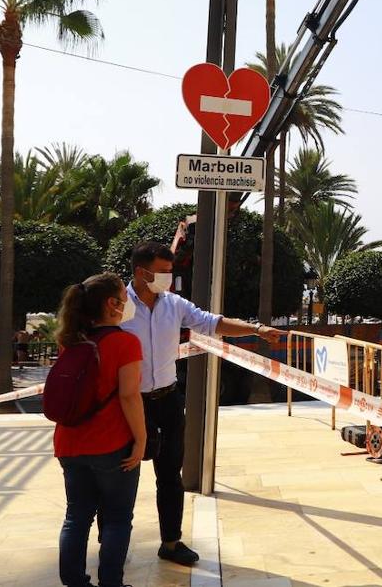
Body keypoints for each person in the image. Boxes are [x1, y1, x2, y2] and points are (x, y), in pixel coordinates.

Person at [119, 241, 280, 567]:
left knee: (170, 476)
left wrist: (257, 330)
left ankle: (171, 542)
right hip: (129, 403)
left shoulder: (173, 304)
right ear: (141, 272)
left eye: (170, 271)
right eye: (162, 272)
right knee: (123, 477)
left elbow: (213, 322)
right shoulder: (118, 305)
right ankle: (114, 547)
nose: (168, 278)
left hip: (168, 401)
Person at [54, 272, 146, 587]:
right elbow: (129, 396)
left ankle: (74, 582)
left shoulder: (70, 342)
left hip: (70, 443)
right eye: (125, 297)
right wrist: (141, 439)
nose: (129, 302)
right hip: (112, 444)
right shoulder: (126, 342)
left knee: (76, 517)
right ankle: (111, 583)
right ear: (111, 304)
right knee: (118, 518)